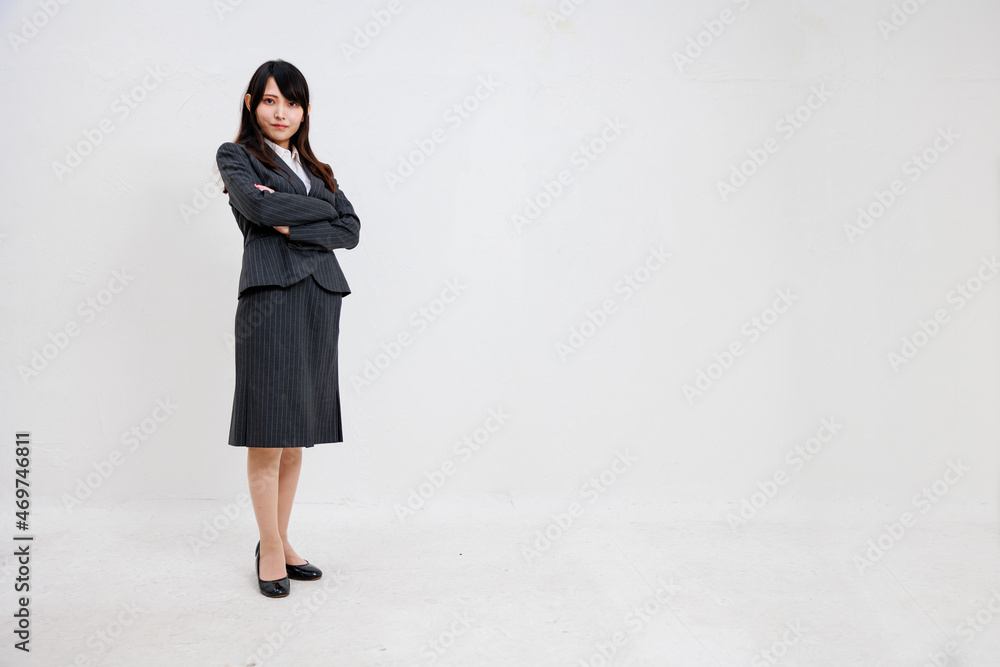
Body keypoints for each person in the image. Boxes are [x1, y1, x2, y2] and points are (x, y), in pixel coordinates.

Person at [215, 59, 361, 598]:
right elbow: (255, 205)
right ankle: (270, 548)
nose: (282, 112)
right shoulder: (235, 156)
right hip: (270, 299)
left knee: (297, 432)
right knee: (269, 430)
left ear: (305, 111)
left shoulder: (318, 167)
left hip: (320, 297)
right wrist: (312, 213)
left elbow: (351, 229)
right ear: (252, 103)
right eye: (271, 100)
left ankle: (280, 538)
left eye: (293, 103)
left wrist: (287, 216)